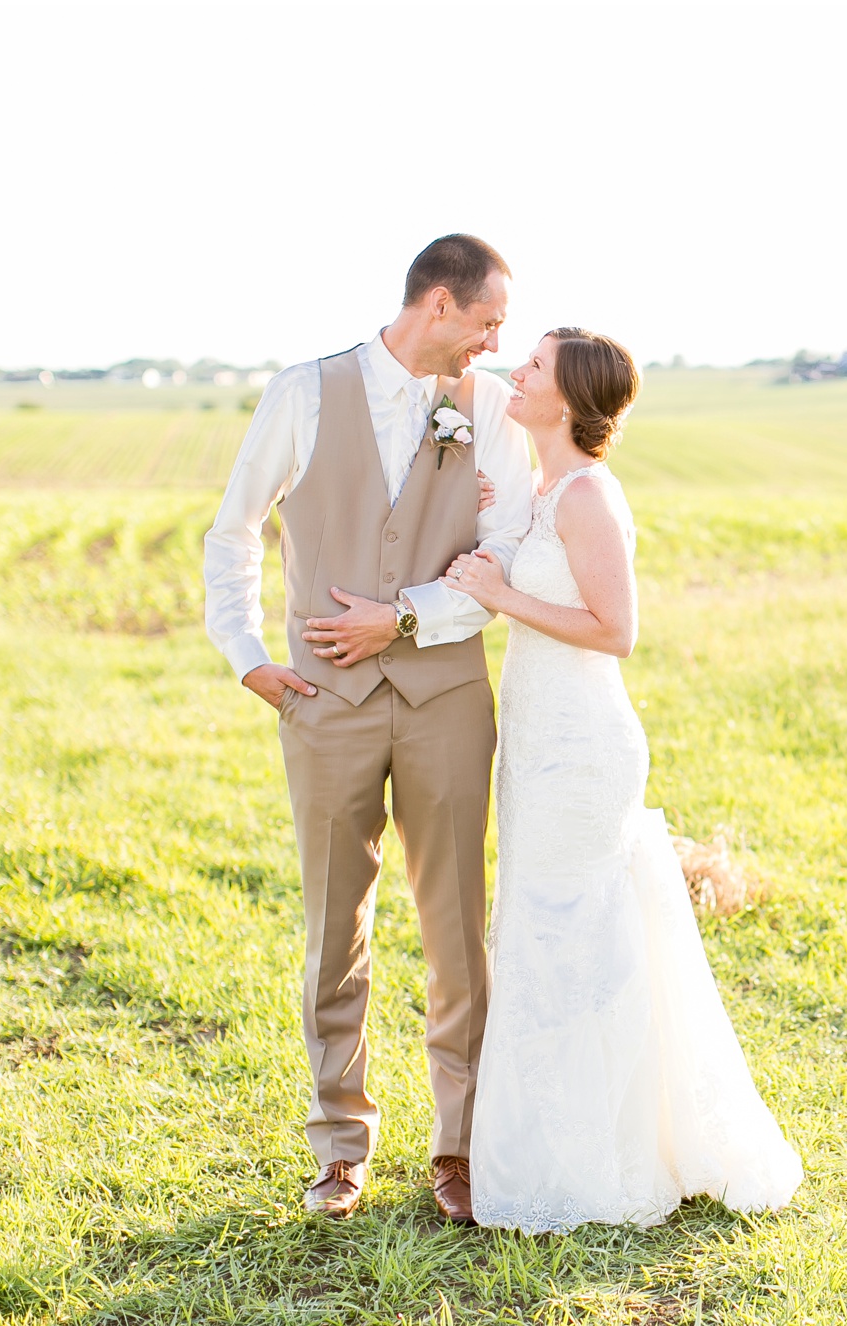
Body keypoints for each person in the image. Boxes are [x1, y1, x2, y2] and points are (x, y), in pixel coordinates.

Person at [202, 234, 532, 1222]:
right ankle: (338, 1146)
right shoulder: (301, 394)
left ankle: (460, 1147)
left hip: (446, 702)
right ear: (438, 304)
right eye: (486, 322)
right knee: (332, 926)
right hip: (322, 708)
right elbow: (233, 528)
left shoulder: (496, 411)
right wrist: (243, 650)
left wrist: (402, 617)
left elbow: (505, 555)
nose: (494, 341)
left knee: (456, 930)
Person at [443, 327, 802, 1232]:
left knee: (572, 938)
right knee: (540, 929)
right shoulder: (545, 486)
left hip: (582, 748)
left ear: (565, 401)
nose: (515, 375)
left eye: (532, 368)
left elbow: (615, 629)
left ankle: (596, 1161)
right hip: (535, 741)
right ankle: (554, 1143)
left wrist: (501, 597)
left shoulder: (591, 495)